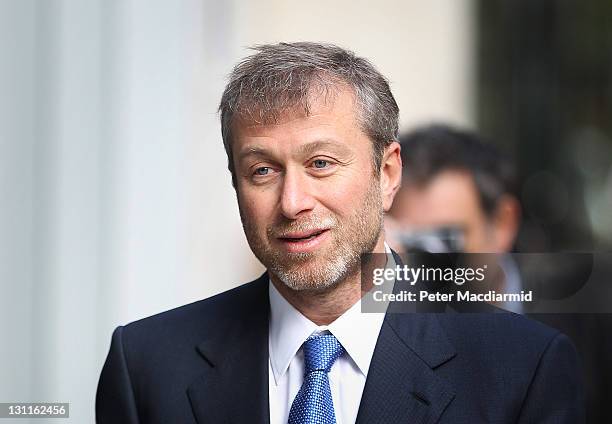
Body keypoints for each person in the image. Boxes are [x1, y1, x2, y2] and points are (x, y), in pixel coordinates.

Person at [96, 42, 584, 423]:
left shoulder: (521, 369)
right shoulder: (146, 367)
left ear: (387, 173)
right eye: (262, 170)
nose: (292, 202)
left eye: (321, 164)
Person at [386, 124, 524, 312]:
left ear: (503, 224)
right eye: (411, 240)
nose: (426, 263)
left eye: (445, 238)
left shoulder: (569, 322)